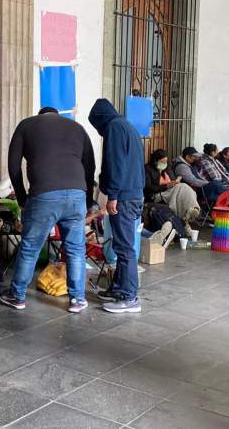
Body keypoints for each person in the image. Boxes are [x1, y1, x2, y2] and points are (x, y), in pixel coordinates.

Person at [0, 106, 96, 313]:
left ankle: (17, 295)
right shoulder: (77, 128)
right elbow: (90, 166)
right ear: (57, 116)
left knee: (30, 246)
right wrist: (87, 199)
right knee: (76, 248)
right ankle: (77, 299)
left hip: (45, 193)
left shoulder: (26, 125)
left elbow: (13, 165)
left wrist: (22, 197)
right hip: (77, 193)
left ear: (40, 115)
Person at [87, 98, 145, 313]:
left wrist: (113, 195)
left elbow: (116, 163)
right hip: (133, 193)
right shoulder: (127, 126)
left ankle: (130, 297)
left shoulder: (113, 128)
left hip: (124, 197)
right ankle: (119, 288)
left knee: (124, 247)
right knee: (122, 245)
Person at [145, 149, 201, 227]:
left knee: (183, 188)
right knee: (182, 187)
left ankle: (192, 210)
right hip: (158, 194)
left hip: (171, 190)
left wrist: (175, 181)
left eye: (165, 162)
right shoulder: (147, 169)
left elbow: (173, 180)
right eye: (162, 162)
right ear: (155, 161)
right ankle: (188, 213)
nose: (164, 164)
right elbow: (148, 187)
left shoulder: (167, 168)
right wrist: (166, 186)